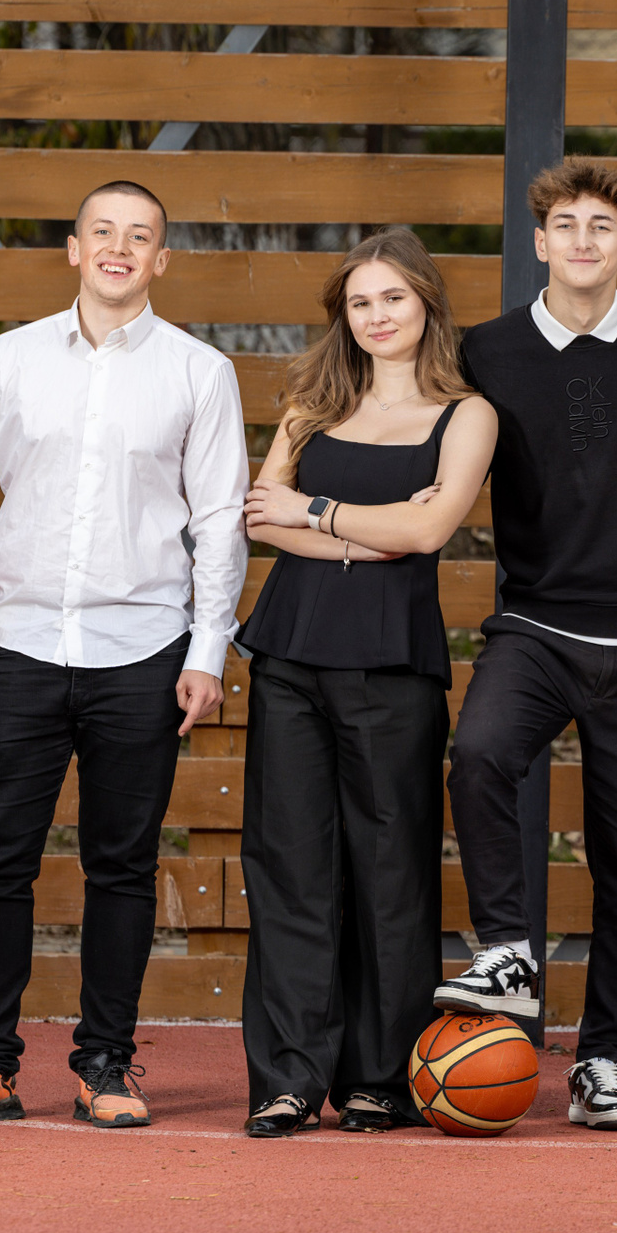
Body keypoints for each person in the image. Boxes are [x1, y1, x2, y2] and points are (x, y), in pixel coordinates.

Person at [0, 181, 249, 1129]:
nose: (119, 248)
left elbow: (220, 521)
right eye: (103, 231)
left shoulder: (200, 373)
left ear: (160, 260)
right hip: (14, 649)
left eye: (139, 236)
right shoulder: (10, 359)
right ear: (74, 249)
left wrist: (208, 647)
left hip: (143, 652)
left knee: (122, 868)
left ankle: (107, 1066)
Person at [433, 158, 617, 1131]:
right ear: (540, 241)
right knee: (478, 752)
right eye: (567, 225)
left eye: (603, 227)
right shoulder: (487, 350)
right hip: (538, 622)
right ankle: (507, 947)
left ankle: (602, 1062)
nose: (584, 241)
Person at [234, 229, 497, 1137]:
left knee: (391, 872)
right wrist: (365, 533)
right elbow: (261, 517)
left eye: (393, 298)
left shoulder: (466, 415)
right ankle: (289, 1076)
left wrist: (317, 512)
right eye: (360, 303)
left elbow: (428, 533)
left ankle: (379, 1076)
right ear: (342, 317)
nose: (377, 316)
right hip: (290, 654)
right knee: (290, 867)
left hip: (392, 662)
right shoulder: (311, 407)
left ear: (426, 302)